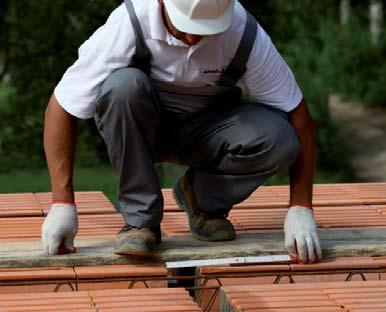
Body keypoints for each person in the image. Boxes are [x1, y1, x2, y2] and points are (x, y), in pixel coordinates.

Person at [42, 0, 322, 264]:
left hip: (210, 132)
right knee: (122, 88)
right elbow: (63, 103)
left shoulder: (242, 30)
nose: (192, 39)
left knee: (280, 139)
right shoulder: (131, 22)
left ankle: (200, 198)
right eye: (184, 27)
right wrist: (62, 204)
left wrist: (300, 208)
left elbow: (299, 116)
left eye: (203, 31)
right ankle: (141, 222)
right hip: (144, 130)